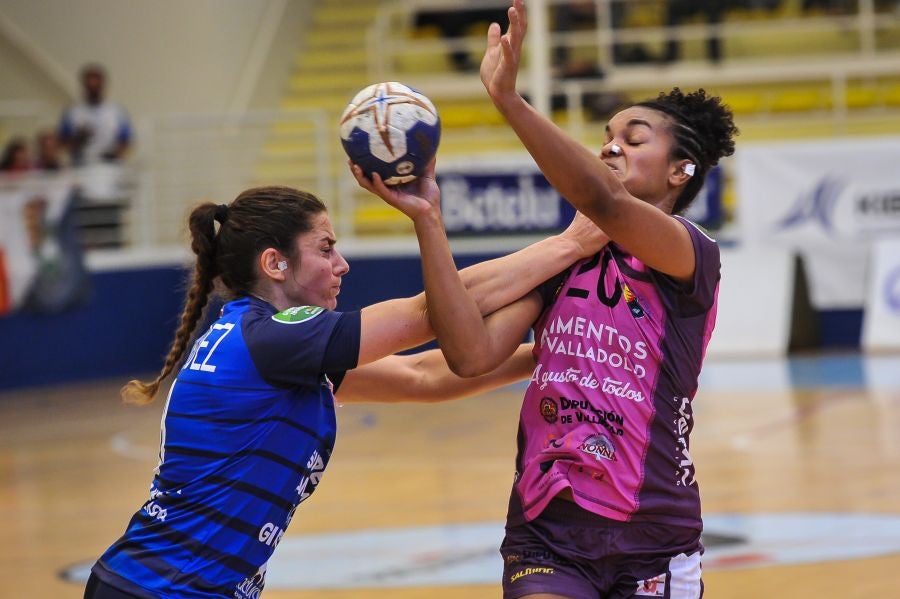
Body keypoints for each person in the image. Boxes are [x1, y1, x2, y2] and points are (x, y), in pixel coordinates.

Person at [361, 1, 739, 596]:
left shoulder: (690, 254)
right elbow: (469, 356)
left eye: (633, 140)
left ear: (680, 171)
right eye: (607, 138)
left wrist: (511, 102)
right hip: (548, 531)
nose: (611, 148)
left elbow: (607, 205)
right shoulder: (563, 259)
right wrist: (428, 221)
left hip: (654, 530)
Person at [84, 184, 605, 598]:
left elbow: (424, 377)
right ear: (274, 264)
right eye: (326, 248)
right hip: (162, 589)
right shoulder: (271, 338)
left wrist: (554, 351)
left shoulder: (272, 346)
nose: (342, 265)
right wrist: (570, 246)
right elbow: (432, 312)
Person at [58, 63, 132, 166]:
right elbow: (62, 143)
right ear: (84, 86)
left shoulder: (116, 112)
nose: (93, 90)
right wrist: (78, 140)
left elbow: (126, 142)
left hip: (109, 167)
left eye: (96, 87)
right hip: (80, 166)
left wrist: (114, 155)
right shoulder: (72, 113)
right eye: (90, 87)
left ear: (103, 86)